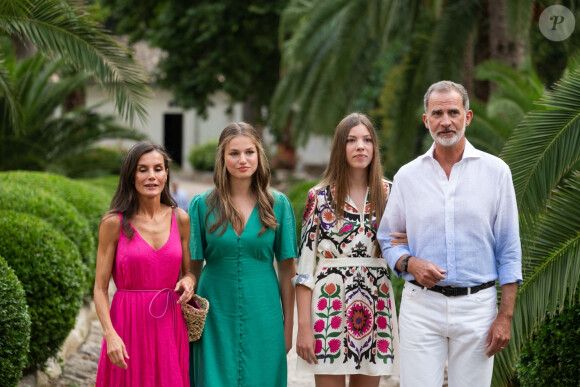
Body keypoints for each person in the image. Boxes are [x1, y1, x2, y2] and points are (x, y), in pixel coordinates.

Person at [377, 81, 522, 387]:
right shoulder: (408, 176)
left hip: (477, 307)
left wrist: (505, 316)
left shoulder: (497, 173)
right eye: (437, 113)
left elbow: (509, 250)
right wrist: (410, 263)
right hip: (421, 306)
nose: (446, 121)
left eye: (453, 112)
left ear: (467, 117)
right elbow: (388, 238)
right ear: (426, 120)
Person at [294, 113, 406, 387]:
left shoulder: (390, 193)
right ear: (339, 148)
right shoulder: (318, 197)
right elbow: (305, 269)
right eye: (352, 140)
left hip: (375, 305)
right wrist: (304, 329)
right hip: (329, 307)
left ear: (374, 147)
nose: (360, 146)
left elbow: (405, 247)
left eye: (367, 140)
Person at [188, 122, 297, 386]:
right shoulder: (201, 205)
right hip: (214, 313)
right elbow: (192, 269)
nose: (242, 160)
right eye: (233, 153)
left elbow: (287, 271)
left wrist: (288, 329)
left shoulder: (278, 205)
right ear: (222, 158)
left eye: (249, 152)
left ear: (259, 155)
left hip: (264, 312)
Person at [94, 141, 195, 387]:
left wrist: (188, 282)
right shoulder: (113, 222)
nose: (151, 176)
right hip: (126, 324)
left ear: (166, 174)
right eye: (142, 169)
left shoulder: (180, 219)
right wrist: (110, 334)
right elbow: (99, 288)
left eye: (158, 169)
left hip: (169, 325)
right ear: (131, 175)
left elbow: (189, 272)